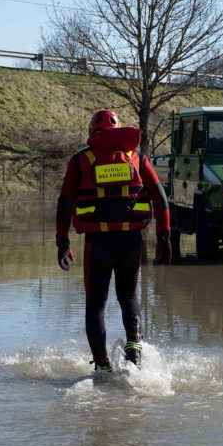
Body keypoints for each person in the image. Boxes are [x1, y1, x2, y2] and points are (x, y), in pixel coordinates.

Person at [56, 109, 171, 372]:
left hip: (98, 242)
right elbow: (161, 198)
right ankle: (134, 349)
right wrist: (164, 236)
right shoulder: (137, 158)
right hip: (130, 241)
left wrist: (62, 241)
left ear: (91, 132)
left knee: (96, 304)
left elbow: (64, 204)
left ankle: (102, 365)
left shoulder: (81, 160)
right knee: (128, 297)